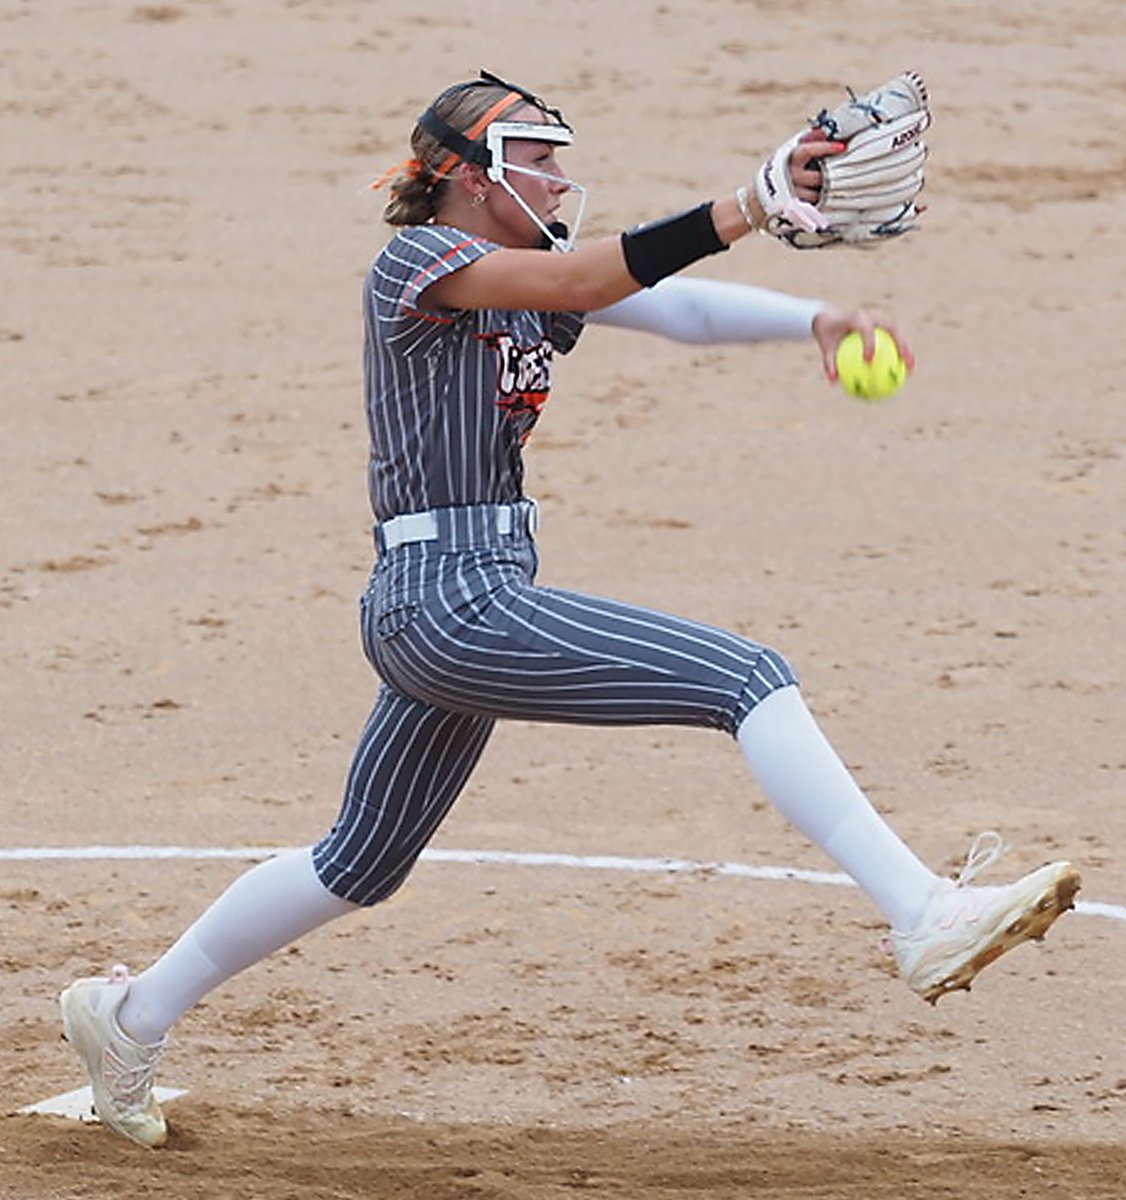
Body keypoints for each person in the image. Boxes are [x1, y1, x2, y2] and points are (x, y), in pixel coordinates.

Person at [59, 70, 1080, 1149]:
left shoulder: (531, 278)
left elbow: (667, 305)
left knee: (359, 860)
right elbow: (598, 279)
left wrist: (814, 316)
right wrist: (744, 203)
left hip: (452, 602)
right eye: (537, 159)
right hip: (451, 602)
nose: (559, 178)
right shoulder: (420, 260)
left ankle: (129, 1016)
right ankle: (921, 913)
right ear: (461, 176)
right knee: (746, 677)